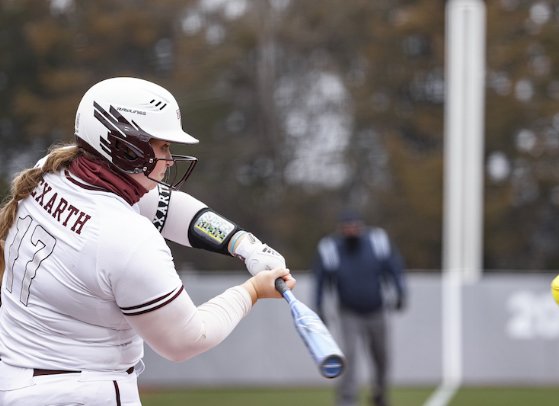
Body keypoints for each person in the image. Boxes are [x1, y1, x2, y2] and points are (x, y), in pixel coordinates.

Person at [0, 77, 295, 405]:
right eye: (163, 146)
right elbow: (185, 340)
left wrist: (244, 245)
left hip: (16, 382)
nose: (169, 160)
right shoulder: (127, 236)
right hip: (80, 392)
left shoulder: (52, 174)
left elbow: (167, 207)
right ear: (126, 149)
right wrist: (251, 292)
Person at [313, 210, 406, 406]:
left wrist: (400, 291)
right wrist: (319, 306)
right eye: (347, 227)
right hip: (348, 312)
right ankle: (347, 400)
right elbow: (321, 280)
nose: (352, 230)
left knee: (381, 356)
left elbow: (394, 268)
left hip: (376, 310)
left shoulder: (377, 241)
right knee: (348, 356)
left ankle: (379, 394)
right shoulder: (330, 247)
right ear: (341, 229)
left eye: (355, 226)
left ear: (362, 227)